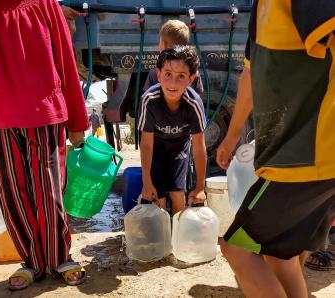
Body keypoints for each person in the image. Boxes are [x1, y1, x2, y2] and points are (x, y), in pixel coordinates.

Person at [216, 1, 335, 297]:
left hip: (305, 155)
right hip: (307, 157)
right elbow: (250, 77)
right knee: (281, 255)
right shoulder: (262, 8)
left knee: (238, 247)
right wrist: (231, 138)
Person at [0, 0, 89, 290]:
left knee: (49, 189)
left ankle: (60, 258)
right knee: (11, 191)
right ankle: (31, 261)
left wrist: (77, 121)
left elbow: (65, 60)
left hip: (43, 112)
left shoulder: (44, 4)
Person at [138, 46, 207, 215]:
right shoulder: (149, 100)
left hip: (180, 145)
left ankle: (177, 235)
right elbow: (146, 143)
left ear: (191, 79)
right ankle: (163, 238)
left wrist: (199, 188)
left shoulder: (193, 103)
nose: (173, 83)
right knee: (158, 197)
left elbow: (198, 146)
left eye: (181, 76)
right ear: (159, 74)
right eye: (168, 74)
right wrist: (147, 182)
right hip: (156, 146)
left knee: (177, 194)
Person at [143, 19, 204, 95]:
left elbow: (146, 99)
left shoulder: (156, 72)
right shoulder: (193, 72)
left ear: (163, 45)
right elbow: (198, 98)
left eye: (160, 41)